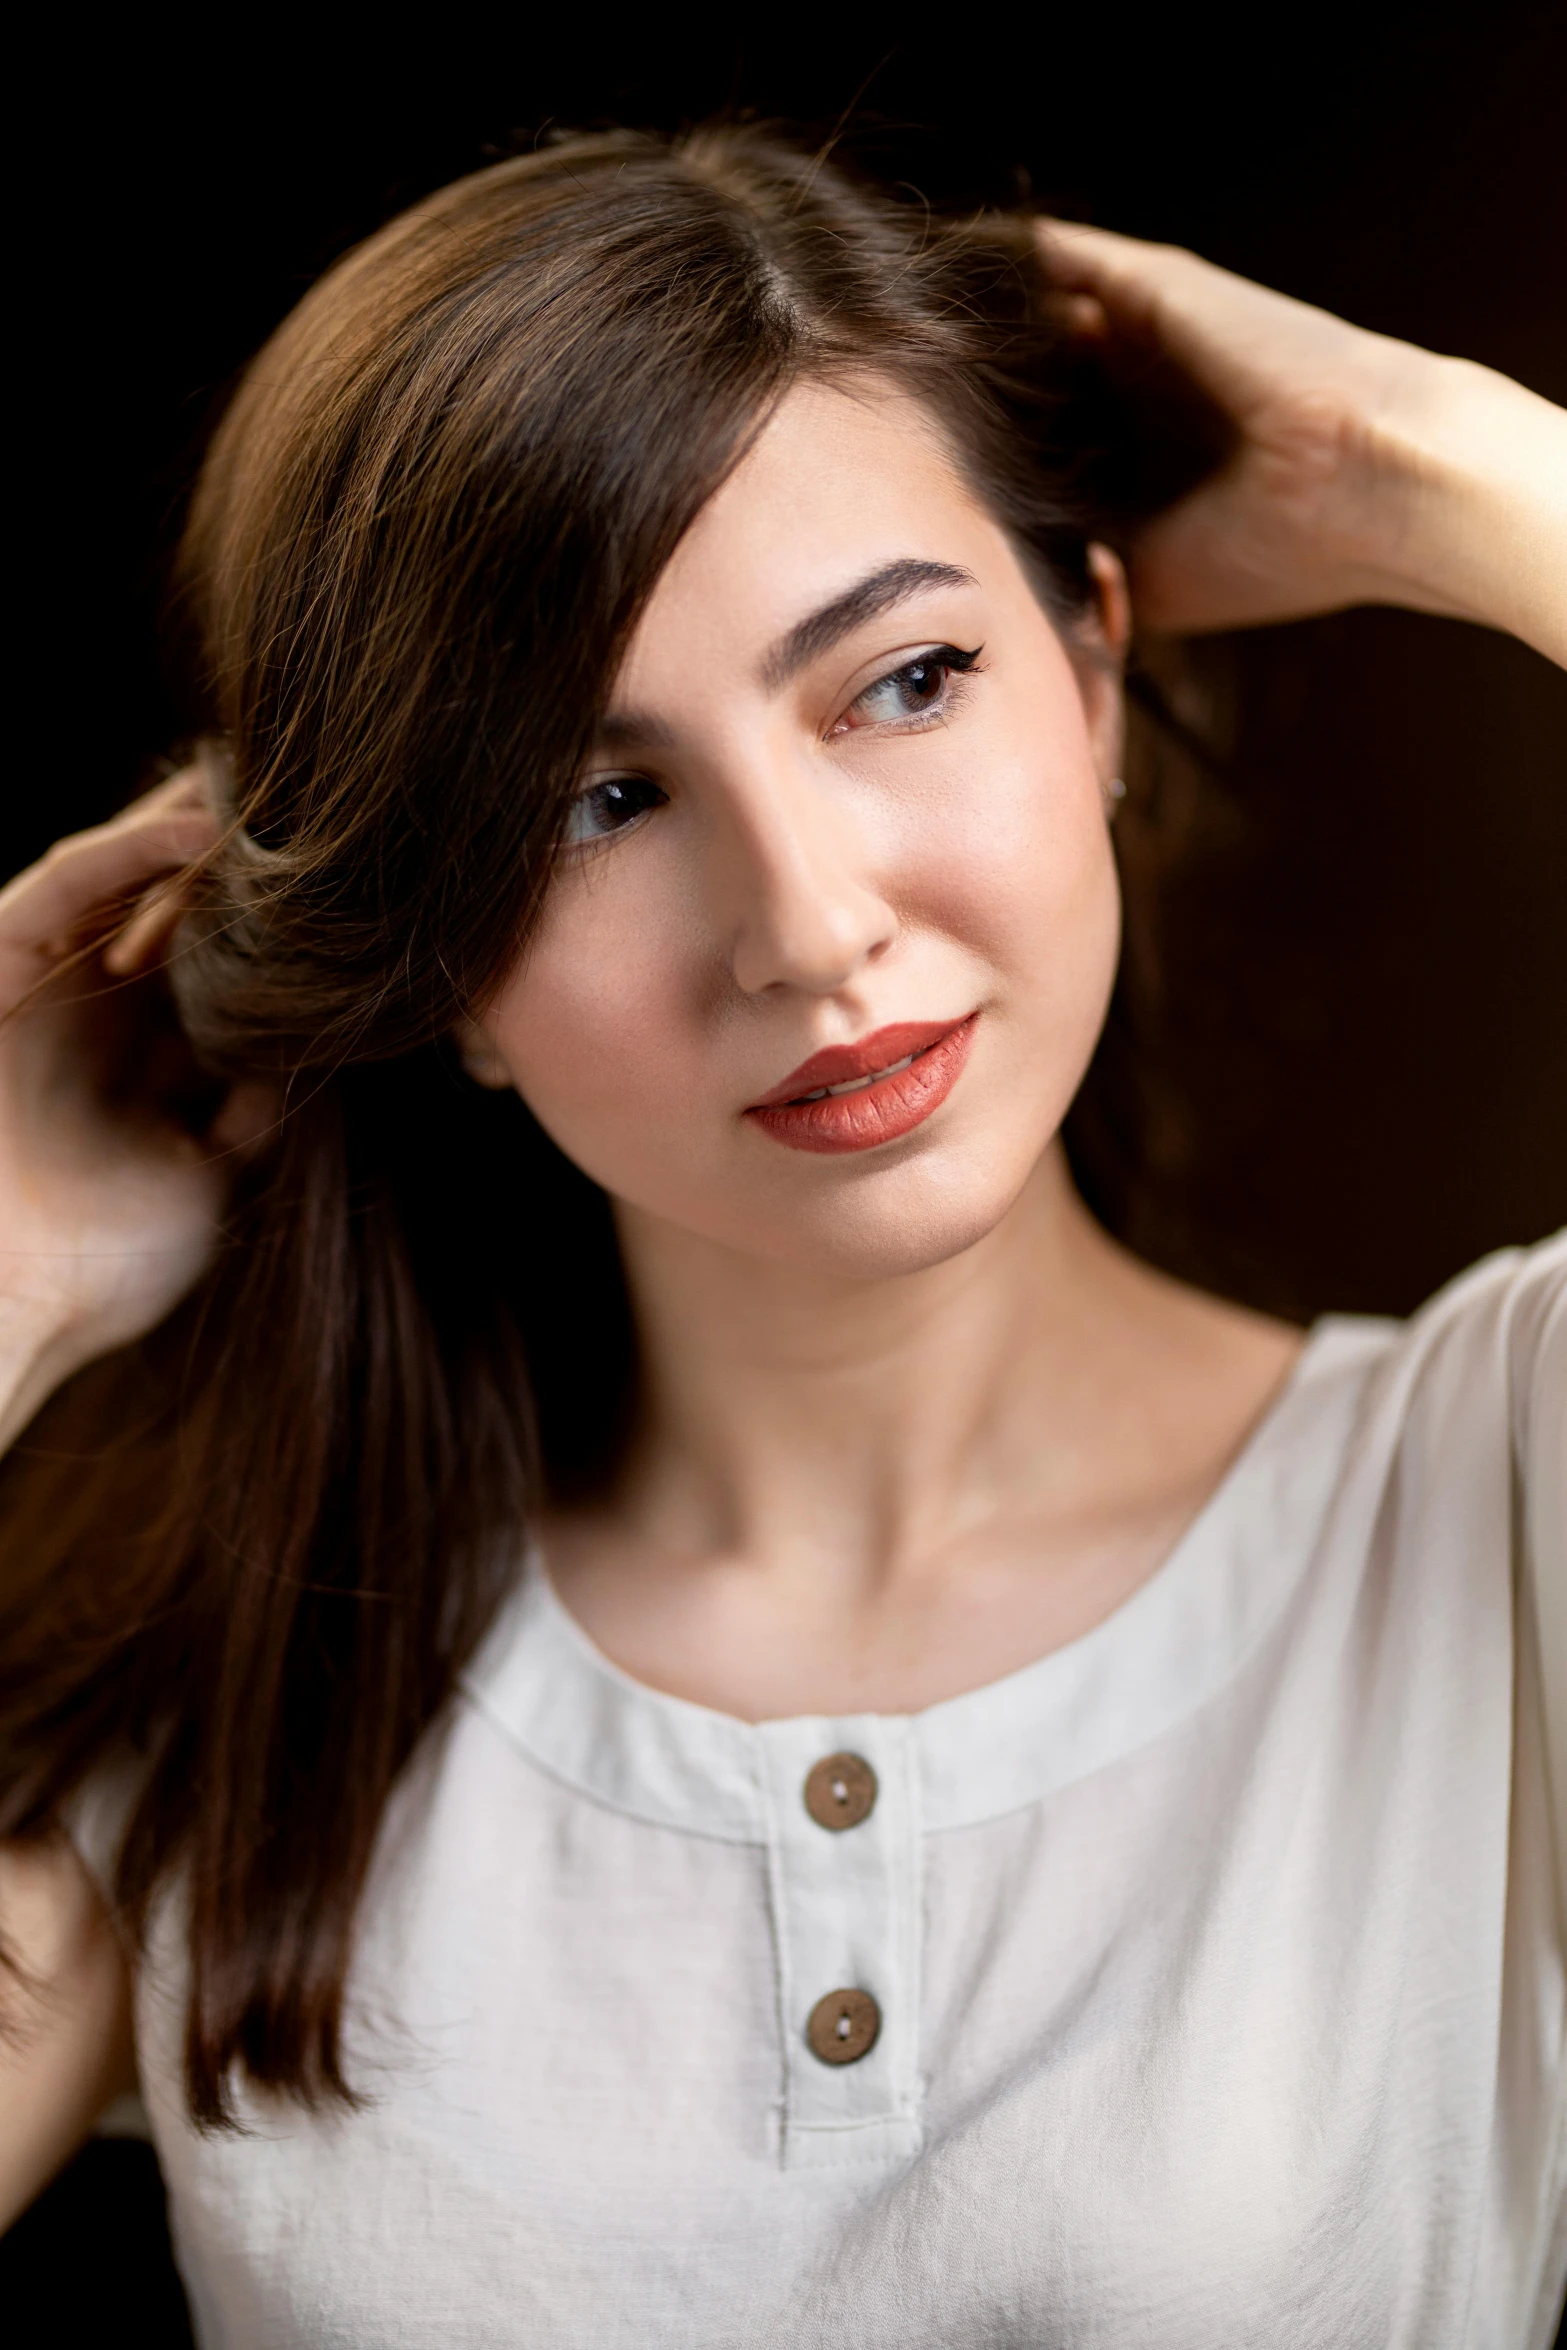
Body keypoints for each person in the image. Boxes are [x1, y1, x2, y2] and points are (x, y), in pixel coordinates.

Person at [0, 125, 1562, 2348]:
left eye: (906, 680)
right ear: (435, 968)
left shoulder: (1498, 1488)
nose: (811, 928)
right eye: (593, 798)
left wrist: (1441, 464)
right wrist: (12, 1281)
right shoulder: (262, 1699)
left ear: (1093, 670)